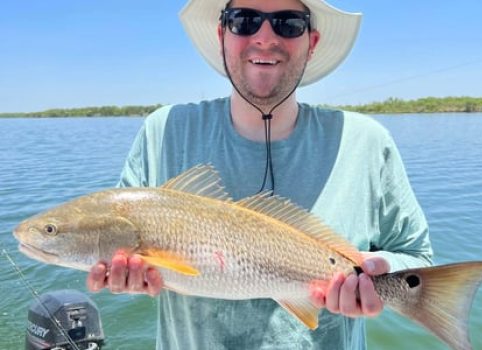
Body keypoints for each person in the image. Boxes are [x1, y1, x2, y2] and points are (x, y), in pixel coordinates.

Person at [87, 0, 433, 348]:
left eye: (288, 23)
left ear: (311, 42)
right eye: (245, 20)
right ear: (222, 34)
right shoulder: (162, 132)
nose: (265, 37)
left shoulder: (366, 142)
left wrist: (377, 272)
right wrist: (126, 276)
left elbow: (416, 256)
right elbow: (123, 245)